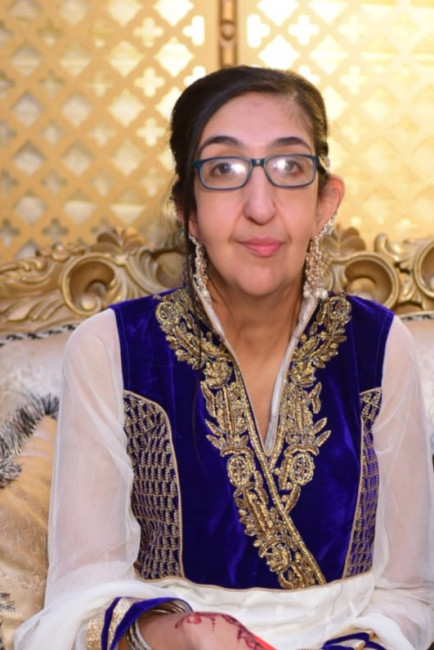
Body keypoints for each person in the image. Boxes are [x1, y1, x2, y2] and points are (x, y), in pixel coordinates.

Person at [15, 65, 433, 650]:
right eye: (224, 170)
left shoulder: (378, 344)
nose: (260, 206)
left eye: (289, 167)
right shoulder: (112, 348)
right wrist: (176, 632)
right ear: (187, 209)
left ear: (324, 202)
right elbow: (83, 591)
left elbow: (410, 592)